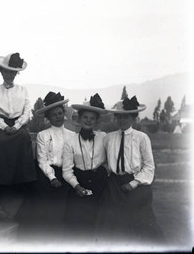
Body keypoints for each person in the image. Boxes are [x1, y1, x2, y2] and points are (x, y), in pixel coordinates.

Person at [95, 96, 164, 245]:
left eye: (126, 117)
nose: (122, 120)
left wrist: (133, 183)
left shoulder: (141, 138)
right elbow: (103, 161)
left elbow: (149, 166)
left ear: (133, 118)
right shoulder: (109, 138)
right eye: (119, 117)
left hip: (135, 183)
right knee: (109, 221)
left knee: (138, 223)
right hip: (114, 184)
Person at [0, 52, 36, 219]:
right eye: (6, 71)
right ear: (1, 72)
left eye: (12, 72)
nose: (9, 74)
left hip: (18, 126)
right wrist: (3, 126)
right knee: (0, 143)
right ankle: (0, 187)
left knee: (24, 138)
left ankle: (19, 187)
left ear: (16, 73)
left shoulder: (22, 90)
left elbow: (26, 112)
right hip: (0, 125)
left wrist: (17, 126)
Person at [18, 92, 75, 236]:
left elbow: (72, 160)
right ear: (48, 117)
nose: (58, 116)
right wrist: (52, 177)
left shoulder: (72, 135)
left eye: (60, 113)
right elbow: (42, 160)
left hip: (66, 173)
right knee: (43, 198)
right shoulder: (43, 135)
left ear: (64, 113)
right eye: (54, 114)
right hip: (47, 173)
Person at [62, 94, 108, 241]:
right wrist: (76, 186)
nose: (88, 120)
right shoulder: (70, 141)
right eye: (85, 117)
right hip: (79, 181)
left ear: (96, 121)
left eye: (92, 118)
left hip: (99, 181)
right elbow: (67, 170)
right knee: (77, 225)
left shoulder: (104, 137)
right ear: (79, 119)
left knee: (98, 222)